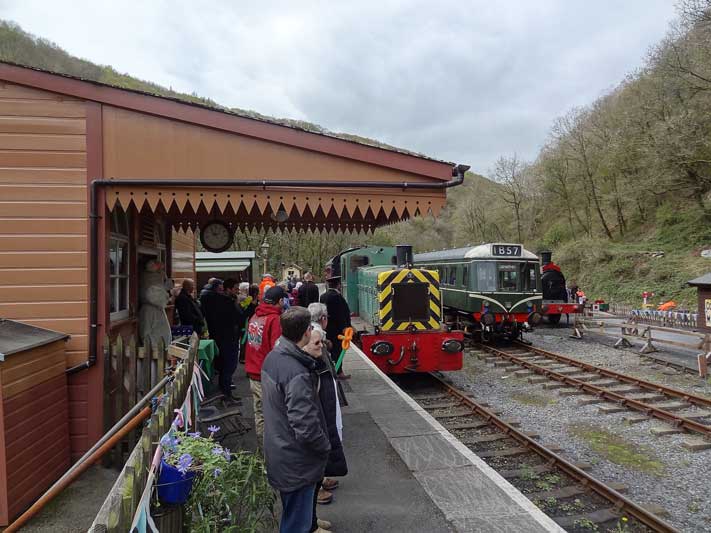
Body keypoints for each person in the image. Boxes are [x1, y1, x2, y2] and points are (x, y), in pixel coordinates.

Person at [261, 307, 330, 533]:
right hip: (296, 459)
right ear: (308, 331)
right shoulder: (296, 372)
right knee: (295, 524)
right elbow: (305, 425)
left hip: (280, 449)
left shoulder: (274, 358)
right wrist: (324, 447)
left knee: (293, 515)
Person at [245, 286, 286, 443]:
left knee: (259, 414)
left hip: (253, 372)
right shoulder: (274, 320)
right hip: (267, 375)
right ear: (280, 300)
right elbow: (277, 349)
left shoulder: (255, 316)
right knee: (273, 416)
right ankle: (270, 455)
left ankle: (262, 454)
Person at [200, 278, 241, 399]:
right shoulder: (226, 302)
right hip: (228, 337)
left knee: (225, 366)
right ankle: (226, 393)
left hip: (221, 337)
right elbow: (237, 318)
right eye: (235, 289)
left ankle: (225, 391)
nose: (237, 291)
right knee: (228, 366)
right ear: (227, 289)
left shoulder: (215, 300)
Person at [320, 277, 352, 380]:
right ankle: (339, 371)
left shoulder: (323, 296)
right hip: (337, 329)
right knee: (338, 350)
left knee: (331, 349)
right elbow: (341, 314)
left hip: (327, 327)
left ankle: (333, 369)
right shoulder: (337, 297)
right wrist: (345, 327)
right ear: (338, 285)